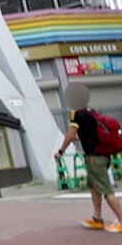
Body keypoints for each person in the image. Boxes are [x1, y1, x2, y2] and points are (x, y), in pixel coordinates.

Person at [55, 82, 122, 233]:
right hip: (102, 155)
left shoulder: (76, 113)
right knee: (94, 188)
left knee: (105, 190)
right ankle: (97, 218)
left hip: (94, 158)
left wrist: (61, 151)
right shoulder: (89, 111)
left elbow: (70, 135)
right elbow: (89, 134)